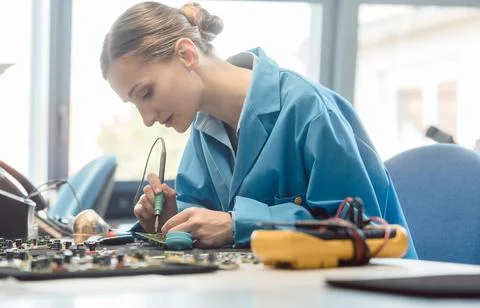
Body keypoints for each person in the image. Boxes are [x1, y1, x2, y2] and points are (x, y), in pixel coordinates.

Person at [101, 1, 417, 257]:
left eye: (146, 93)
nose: (146, 118)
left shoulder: (310, 110)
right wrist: (172, 217)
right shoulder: (204, 129)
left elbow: (363, 230)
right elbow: (206, 216)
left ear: (186, 54)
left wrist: (240, 225)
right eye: (134, 104)